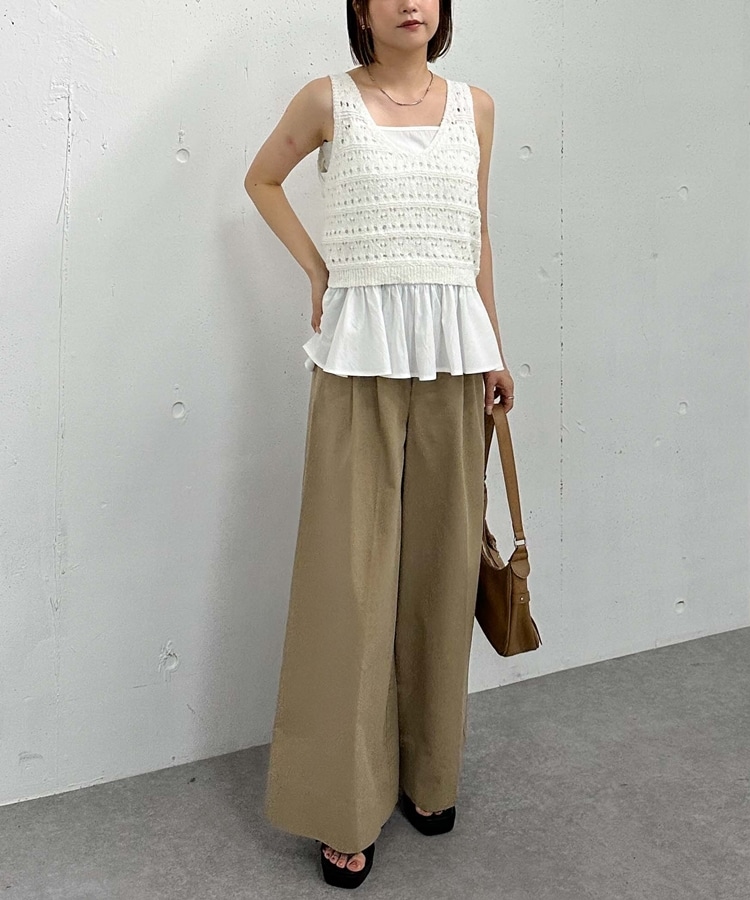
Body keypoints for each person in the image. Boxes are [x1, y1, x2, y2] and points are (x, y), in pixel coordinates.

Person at [244, 0, 514, 889]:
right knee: (349, 584)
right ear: (359, 7)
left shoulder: (475, 107)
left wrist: (495, 350)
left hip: (453, 358)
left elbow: (475, 235)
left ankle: (430, 775)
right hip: (358, 357)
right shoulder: (327, 99)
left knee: (442, 570)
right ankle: (344, 802)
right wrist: (319, 271)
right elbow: (262, 179)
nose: (410, 3)